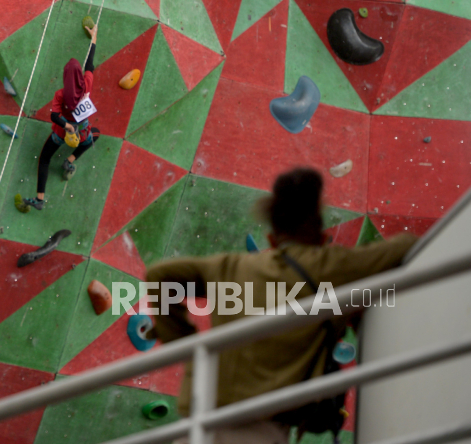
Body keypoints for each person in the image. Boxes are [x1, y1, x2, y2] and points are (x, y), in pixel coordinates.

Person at [145, 168, 418, 444]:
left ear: (272, 240)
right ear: (322, 238)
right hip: (259, 432)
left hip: (196, 426)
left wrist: (187, 347)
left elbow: (160, 276)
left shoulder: (230, 266)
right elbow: (404, 246)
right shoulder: (333, 267)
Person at [24, 24, 101, 210]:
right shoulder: (87, 86)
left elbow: (53, 115)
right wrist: (94, 38)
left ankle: (40, 199)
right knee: (95, 134)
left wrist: (66, 126)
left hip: (61, 134)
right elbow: (90, 64)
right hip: (82, 133)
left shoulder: (60, 94)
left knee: (44, 158)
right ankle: (70, 161)